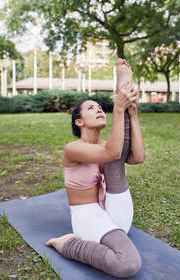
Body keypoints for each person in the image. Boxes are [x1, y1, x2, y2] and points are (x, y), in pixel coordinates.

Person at [46, 59, 145, 278]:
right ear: (79, 122)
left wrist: (132, 113)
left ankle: (123, 89)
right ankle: (68, 244)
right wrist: (119, 108)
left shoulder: (106, 148)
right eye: (92, 108)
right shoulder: (73, 149)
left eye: (101, 107)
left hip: (114, 211)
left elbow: (137, 157)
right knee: (127, 264)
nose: (99, 110)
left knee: (115, 162)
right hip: (88, 215)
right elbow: (111, 152)